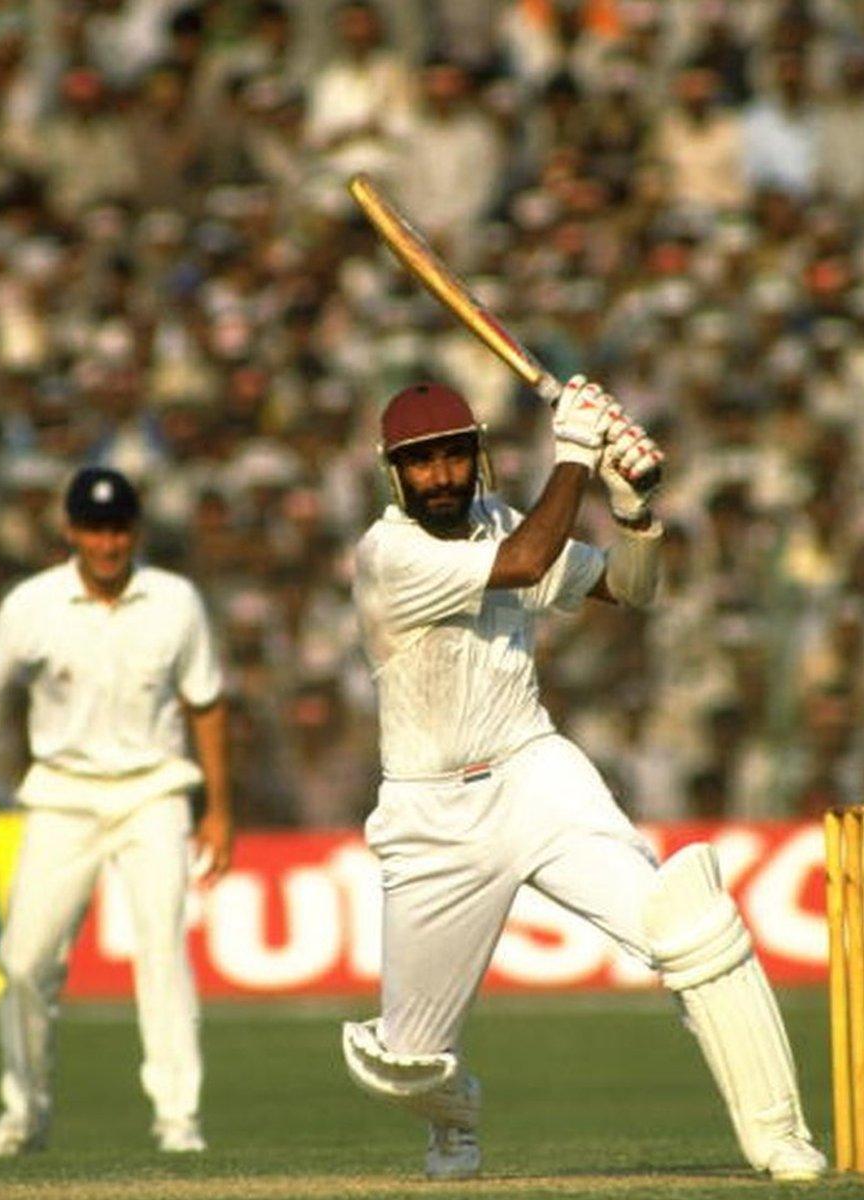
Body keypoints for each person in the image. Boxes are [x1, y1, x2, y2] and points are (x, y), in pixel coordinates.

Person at [341, 378, 825, 1182]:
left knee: (687, 922)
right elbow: (528, 560)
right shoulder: (387, 555)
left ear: (480, 456)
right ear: (394, 475)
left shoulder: (500, 521)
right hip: (431, 810)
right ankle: (452, 1113)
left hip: (535, 771)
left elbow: (631, 587)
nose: (441, 477)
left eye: (455, 456)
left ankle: (780, 1139)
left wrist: (634, 512)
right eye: (420, 464)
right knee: (406, 1062)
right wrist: (576, 452)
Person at [0, 466, 232, 1157]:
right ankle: (24, 1114)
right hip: (63, 791)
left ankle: (178, 1117)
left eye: (118, 529)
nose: (107, 544)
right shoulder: (32, 604)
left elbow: (206, 704)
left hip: (154, 790)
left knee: (162, 948)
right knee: (22, 961)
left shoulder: (176, 601)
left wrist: (219, 810)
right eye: (94, 529)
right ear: (71, 531)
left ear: (134, 530)